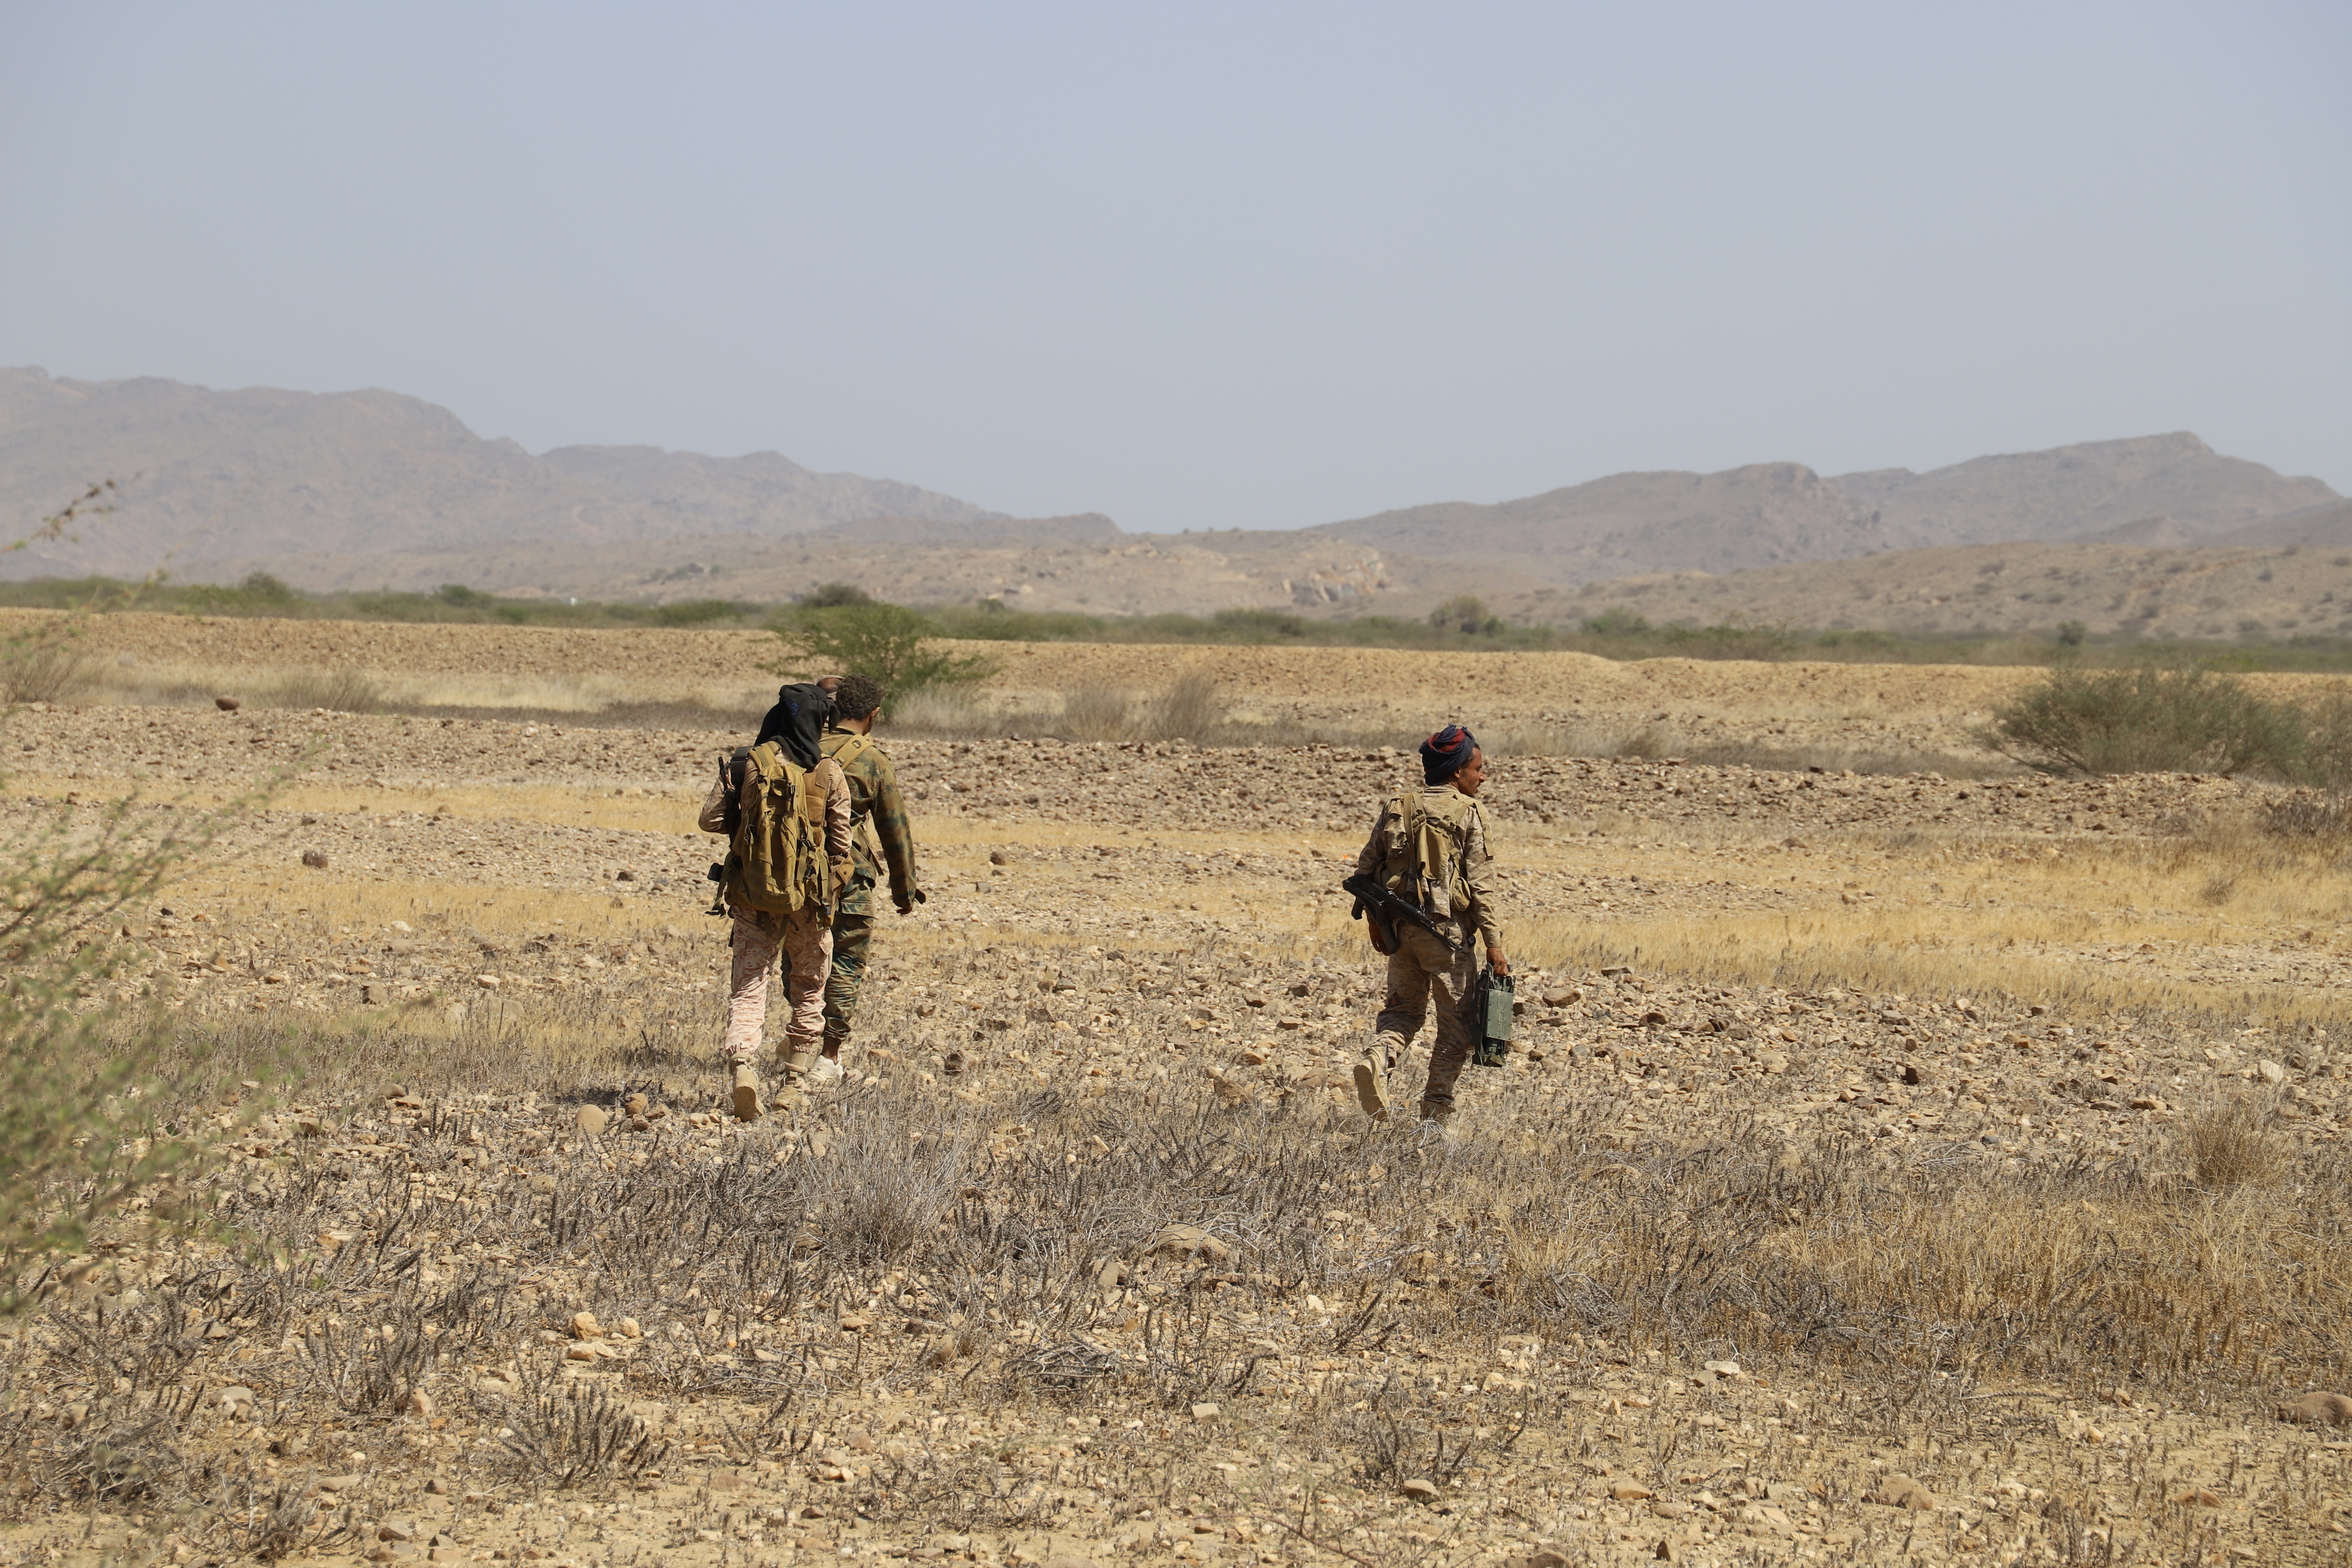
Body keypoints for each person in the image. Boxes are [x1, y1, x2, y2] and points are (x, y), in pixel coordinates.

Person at [699, 683, 853, 1121]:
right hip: (808, 898)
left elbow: (709, 819)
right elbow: (842, 844)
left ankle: (743, 1067)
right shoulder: (828, 772)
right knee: (809, 987)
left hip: (753, 893)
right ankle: (794, 1080)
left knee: (749, 987)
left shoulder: (747, 763)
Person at [1351, 723, 1509, 1127]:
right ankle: (1435, 1117)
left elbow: (1366, 869)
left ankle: (1378, 1058)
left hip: (1401, 934)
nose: (1483, 776)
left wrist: (1377, 921)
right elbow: (1482, 886)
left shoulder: (1398, 805)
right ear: (1458, 772)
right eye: (1478, 768)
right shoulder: (1469, 812)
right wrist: (1495, 944)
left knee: (1403, 1012)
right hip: (1448, 938)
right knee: (1458, 1027)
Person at [815, 674, 926, 1078]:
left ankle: (800, 1040)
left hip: (797, 877)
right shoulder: (873, 760)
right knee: (846, 961)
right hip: (850, 878)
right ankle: (827, 1056)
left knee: (801, 960)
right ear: (872, 714)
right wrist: (905, 890)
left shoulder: (796, 748)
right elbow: (894, 830)